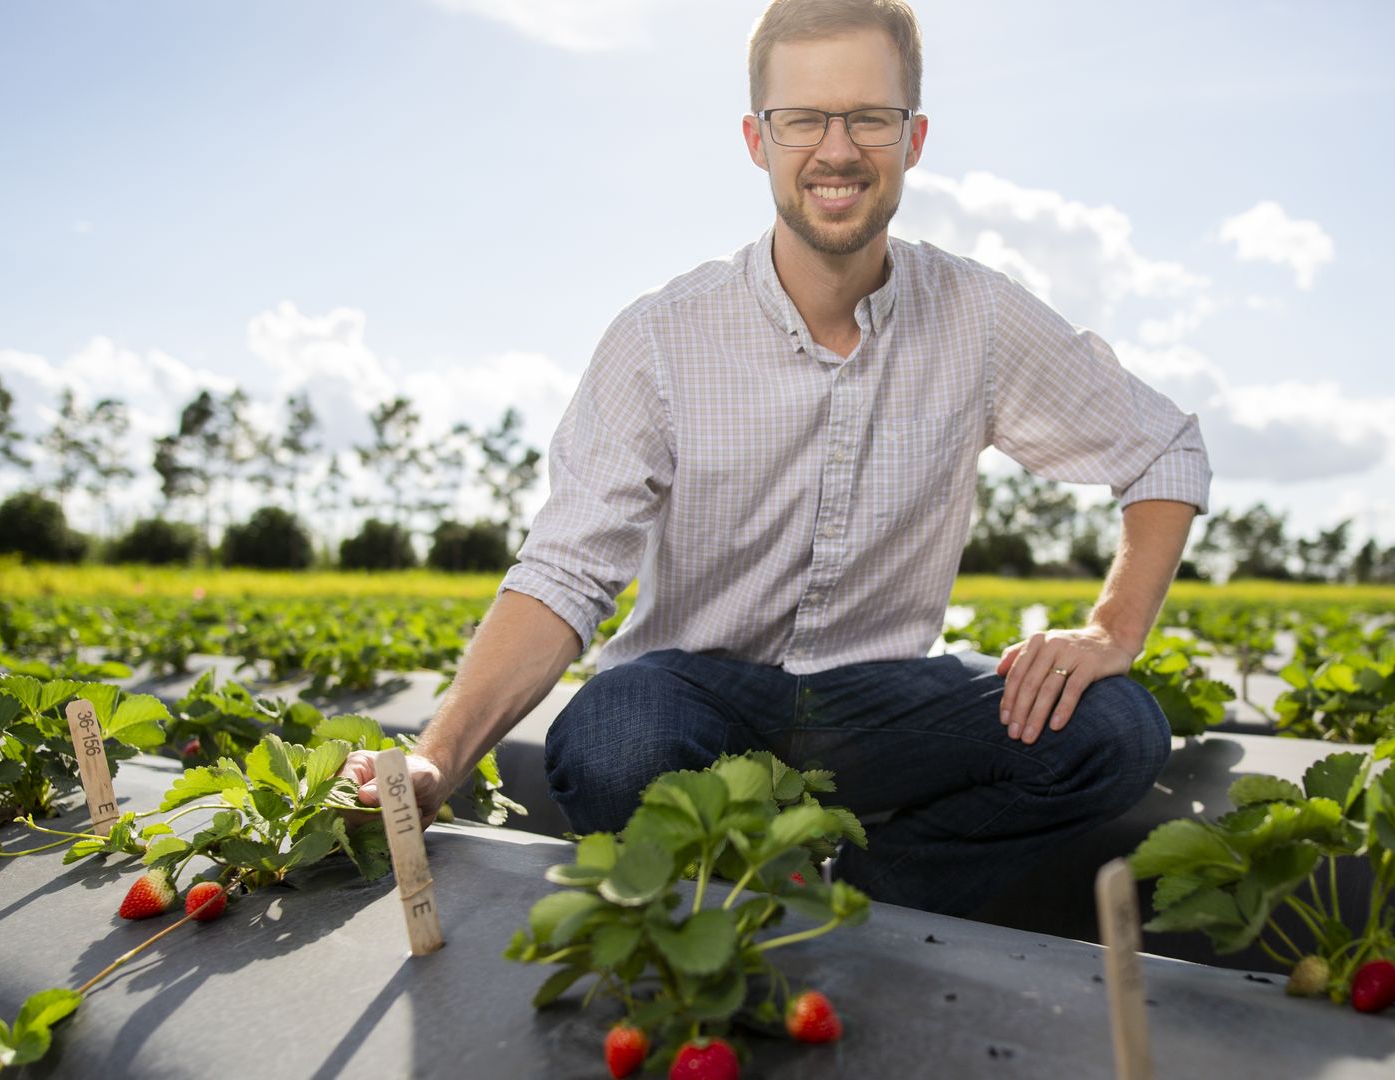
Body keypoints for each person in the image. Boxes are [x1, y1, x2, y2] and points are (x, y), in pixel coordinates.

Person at [340, 0, 1210, 917]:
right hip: (696, 697)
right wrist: (436, 756)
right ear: (759, 140)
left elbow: (1164, 448)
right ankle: (728, 918)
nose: (837, 150)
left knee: (1113, 728)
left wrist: (1112, 630)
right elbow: (566, 572)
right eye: (804, 120)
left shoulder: (979, 317)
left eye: (870, 117)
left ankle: (884, 902)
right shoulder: (662, 338)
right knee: (611, 737)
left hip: (879, 706)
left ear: (913, 138)